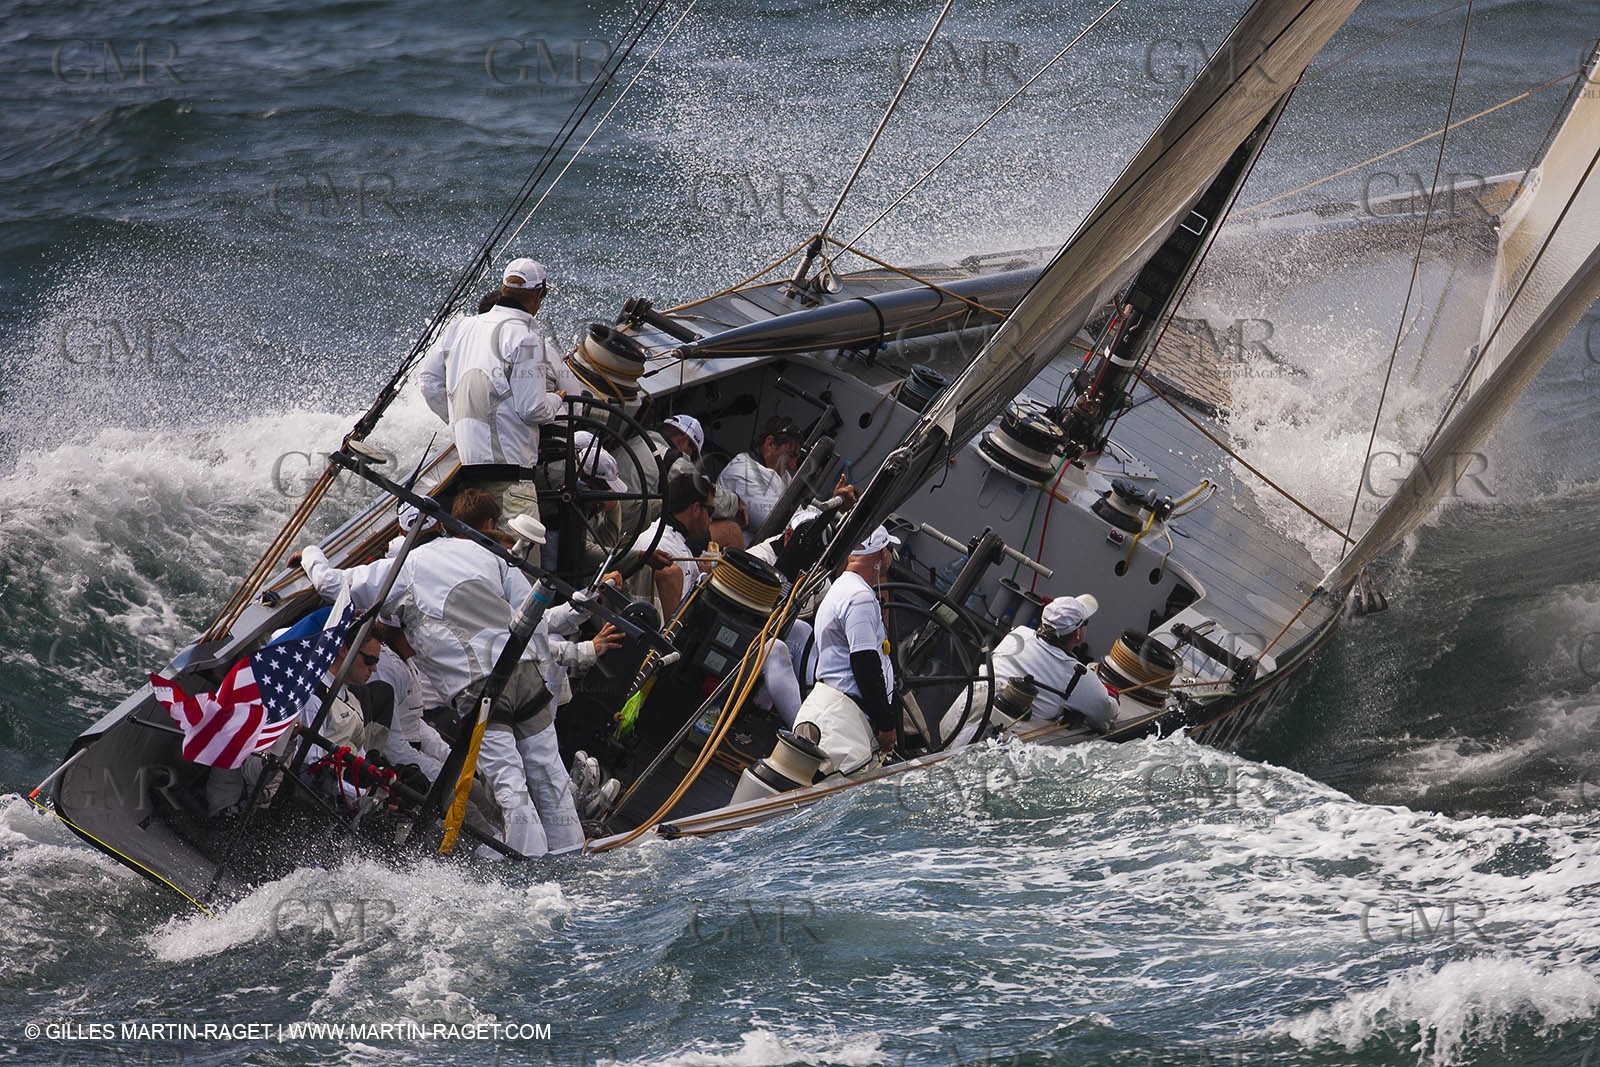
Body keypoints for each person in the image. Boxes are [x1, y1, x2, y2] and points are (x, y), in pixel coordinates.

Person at [294, 489, 583, 858]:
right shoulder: (485, 552)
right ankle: (571, 854)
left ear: (405, 533)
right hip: (525, 673)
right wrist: (547, 667)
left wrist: (311, 554)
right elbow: (532, 617)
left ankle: (533, 866)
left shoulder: (401, 569)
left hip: (480, 691)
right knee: (550, 773)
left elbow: (330, 585)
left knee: (510, 785)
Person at [418, 257, 566, 512]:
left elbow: (429, 383)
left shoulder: (459, 328)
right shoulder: (526, 339)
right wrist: (556, 399)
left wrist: (463, 420)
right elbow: (532, 410)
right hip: (511, 479)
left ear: (503, 288)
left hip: (468, 474)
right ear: (539, 294)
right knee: (517, 540)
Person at [940, 593, 1121, 745]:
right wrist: (1111, 697)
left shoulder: (1018, 634)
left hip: (955, 723)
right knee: (1082, 734)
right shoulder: (1077, 676)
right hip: (995, 745)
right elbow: (1105, 715)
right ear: (1078, 633)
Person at [793, 525, 901, 773]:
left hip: (827, 712)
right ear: (881, 553)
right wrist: (886, 724)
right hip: (841, 726)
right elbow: (865, 662)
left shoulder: (840, 588)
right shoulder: (860, 597)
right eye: (889, 550)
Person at [627, 473, 715, 619]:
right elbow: (680, 620)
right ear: (696, 509)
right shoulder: (669, 549)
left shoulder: (656, 534)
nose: (711, 519)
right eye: (710, 511)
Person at [718, 415, 801, 540]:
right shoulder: (742, 472)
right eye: (790, 455)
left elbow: (799, 508)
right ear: (770, 444)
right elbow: (777, 525)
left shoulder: (782, 475)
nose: (793, 465)